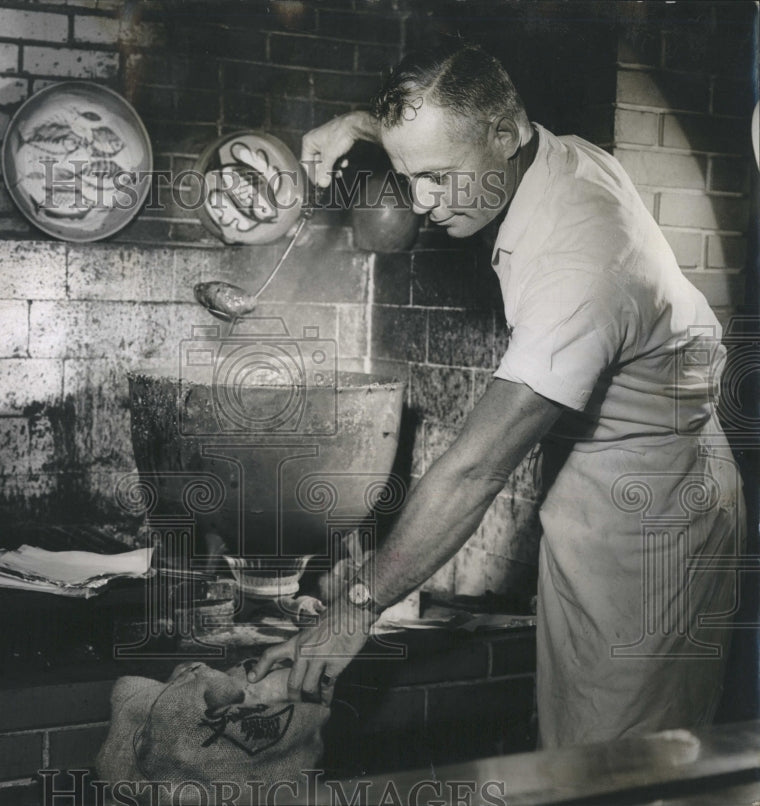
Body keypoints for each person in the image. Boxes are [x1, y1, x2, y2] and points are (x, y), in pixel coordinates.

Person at [248, 40, 744, 749]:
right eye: (407, 174)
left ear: (503, 135)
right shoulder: (530, 148)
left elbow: (477, 467)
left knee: (625, 765)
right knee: (569, 744)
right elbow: (452, 135)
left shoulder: (582, 261)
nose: (419, 203)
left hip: (656, 516)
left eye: (439, 177)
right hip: (598, 497)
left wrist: (355, 611)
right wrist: (363, 127)